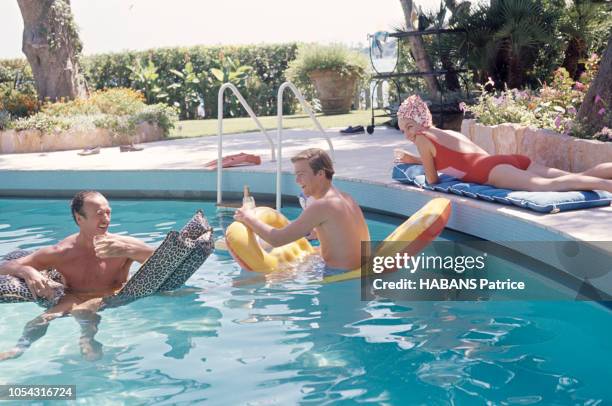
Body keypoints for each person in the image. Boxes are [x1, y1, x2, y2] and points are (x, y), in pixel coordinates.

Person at [0, 191, 154, 361]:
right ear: (79, 219)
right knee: (42, 319)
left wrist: (129, 251)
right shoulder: (62, 252)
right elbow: (6, 267)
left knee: (83, 312)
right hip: (74, 295)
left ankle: (88, 340)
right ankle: (18, 349)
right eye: (99, 214)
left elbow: (160, 260)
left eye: (108, 212)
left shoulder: (123, 245)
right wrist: (27, 271)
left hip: (115, 294)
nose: (106, 219)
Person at [395, 95, 612, 192]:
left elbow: (432, 180)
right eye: (403, 129)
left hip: (491, 171)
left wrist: (417, 162)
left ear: (420, 121)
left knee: (551, 186)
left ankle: (606, 186)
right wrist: (414, 159)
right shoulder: (450, 134)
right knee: (573, 177)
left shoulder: (423, 139)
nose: (408, 134)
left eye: (409, 126)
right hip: (506, 161)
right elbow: (454, 160)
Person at [234, 148, 370, 271]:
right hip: (359, 269)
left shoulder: (322, 205)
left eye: (301, 174)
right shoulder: (345, 198)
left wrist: (247, 217)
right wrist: (317, 232)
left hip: (339, 277)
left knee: (256, 281)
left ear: (321, 174)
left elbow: (276, 239)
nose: (297, 181)